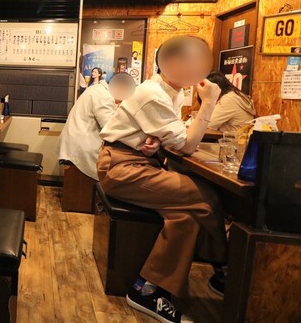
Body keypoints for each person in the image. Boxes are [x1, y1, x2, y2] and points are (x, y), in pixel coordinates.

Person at [97, 36, 227, 323]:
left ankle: (147, 289)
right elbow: (187, 145)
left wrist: (153, 143)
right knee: (207, 197)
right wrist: (209, 103)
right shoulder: (153, 93)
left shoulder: (169, 91)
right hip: (122, 169)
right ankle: (223, 267)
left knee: (185, 217)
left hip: (135, 162)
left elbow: (168, 135)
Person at [57, 73, 121, 180]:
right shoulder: (104, 95)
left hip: (76, 141)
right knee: (115, 169)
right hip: (81, 147)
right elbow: (109, 126)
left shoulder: (96, 89)